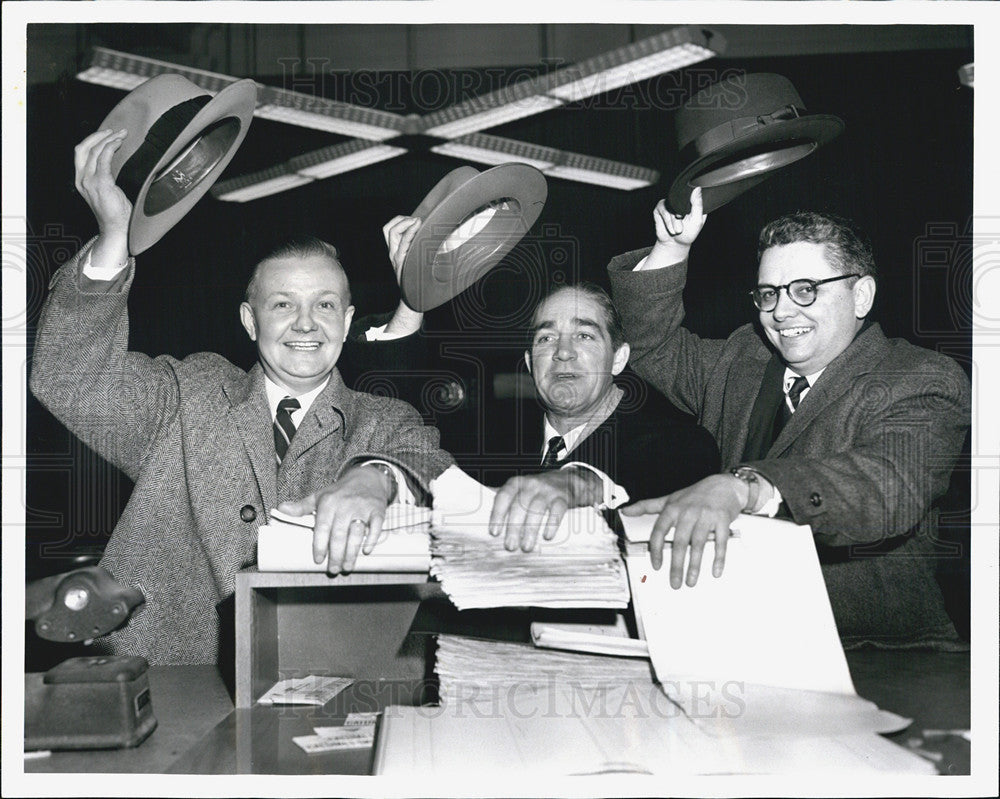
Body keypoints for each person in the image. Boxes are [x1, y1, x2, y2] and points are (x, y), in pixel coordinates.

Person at [29, 129, 454, 664]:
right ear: (250, 320)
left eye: (324, 306)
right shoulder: (189, 394)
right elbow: (69, 376)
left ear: (347, 323)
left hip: (325, 681)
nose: (305, 323)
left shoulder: (384, 420)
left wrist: (375, 477)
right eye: (282, 305)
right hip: (159, 677)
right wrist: (115, 236)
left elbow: (431, 467)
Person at [608, 187, 970, 647]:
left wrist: (746, 486)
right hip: (743, 643)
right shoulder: (743, 358)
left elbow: (886, 486)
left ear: (861, 296)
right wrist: (671, 248)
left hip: (882, 652)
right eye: (768, 293)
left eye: (805, 290)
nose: (780, 311)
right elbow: (651, 344)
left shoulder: (921, 377)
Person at [371, 215, 720, 553]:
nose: (563, 353)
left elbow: (672, 471)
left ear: (619, 358)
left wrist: (581, 482)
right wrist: (411, 298)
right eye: (546, 339)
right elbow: (397, 423)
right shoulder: (487, 435)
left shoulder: (675, 441)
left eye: (584, 336)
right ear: (528, 363)